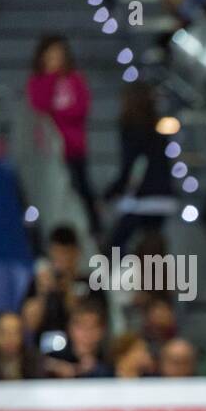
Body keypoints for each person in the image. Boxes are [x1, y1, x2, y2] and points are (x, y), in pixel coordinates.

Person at [27, 36, 99, 236]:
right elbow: (39, 107)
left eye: (59, 54)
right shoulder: (38, 81)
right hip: (48, 150)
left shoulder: (75, 79)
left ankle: (92, 232)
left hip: (74, 147)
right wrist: (50, 79)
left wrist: (56, 114)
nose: (55, 59)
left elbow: (80, 110)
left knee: (81, 189)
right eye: (50, 55)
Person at [104, 81, 177, 253]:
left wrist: (110, 193)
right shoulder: (159, 127)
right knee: (152, 248)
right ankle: (154, 278)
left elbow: (131, 167)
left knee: (114, 247)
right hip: (164, 197)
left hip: (142, 198)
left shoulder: (130, 128)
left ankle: (119, 278)